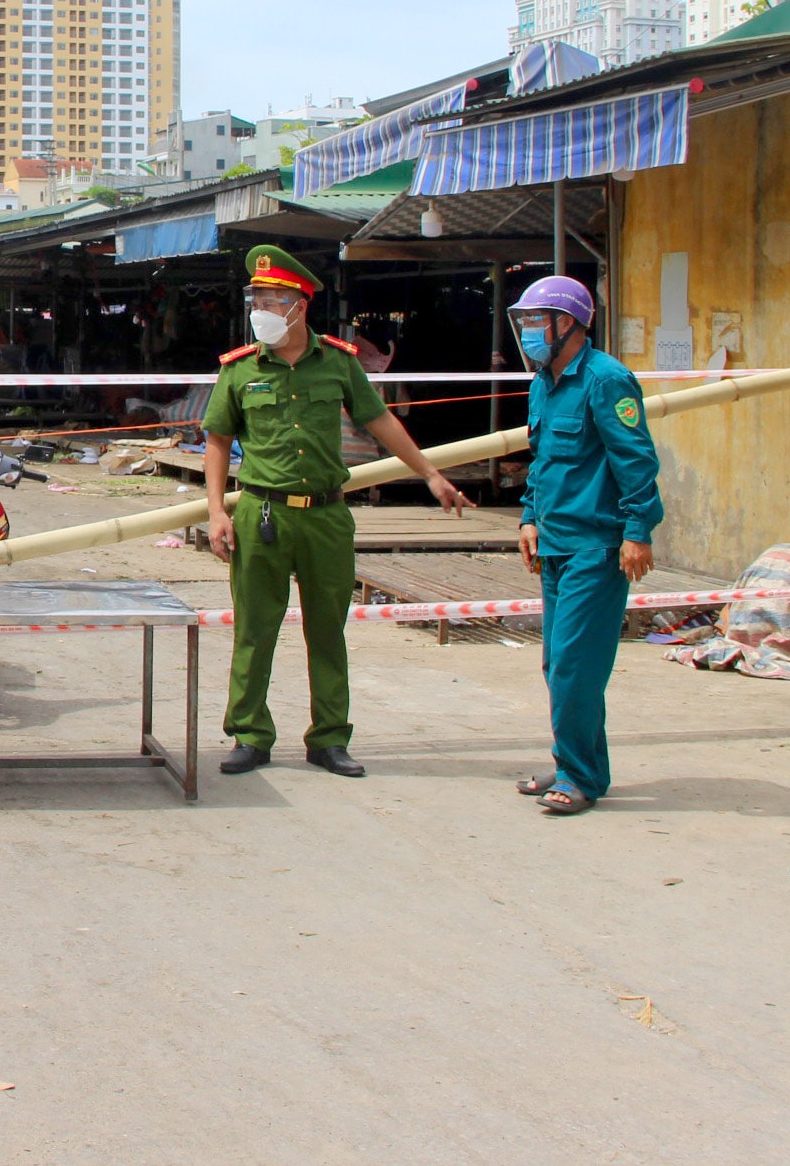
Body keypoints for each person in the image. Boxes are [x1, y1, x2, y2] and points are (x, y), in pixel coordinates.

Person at [202, 246, 471, 778]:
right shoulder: (239, 370)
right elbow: (217, 441)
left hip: (326, 516)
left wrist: (431, 474)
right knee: (255, 629)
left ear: (299, 306)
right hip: (262, 514)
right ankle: (250, 734)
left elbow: (381, 422)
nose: (261, 309)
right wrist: (216, 511)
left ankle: (328, 738)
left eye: (271, 300)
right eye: (256, 298)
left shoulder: (339, 363)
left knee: (328, 630)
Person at [510, 276, 663, 816]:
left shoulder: (606, 381)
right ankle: (575, 761)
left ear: (567, 324)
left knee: (576, 665)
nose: (527, 333)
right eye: (524, 322)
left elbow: (636, 460)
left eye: (535, 321)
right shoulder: (543, 383)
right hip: (555, 543)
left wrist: (638, 530)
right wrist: (529, 517)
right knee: (558, 664)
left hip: (596, 548)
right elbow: (544, 461)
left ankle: (580, 776)